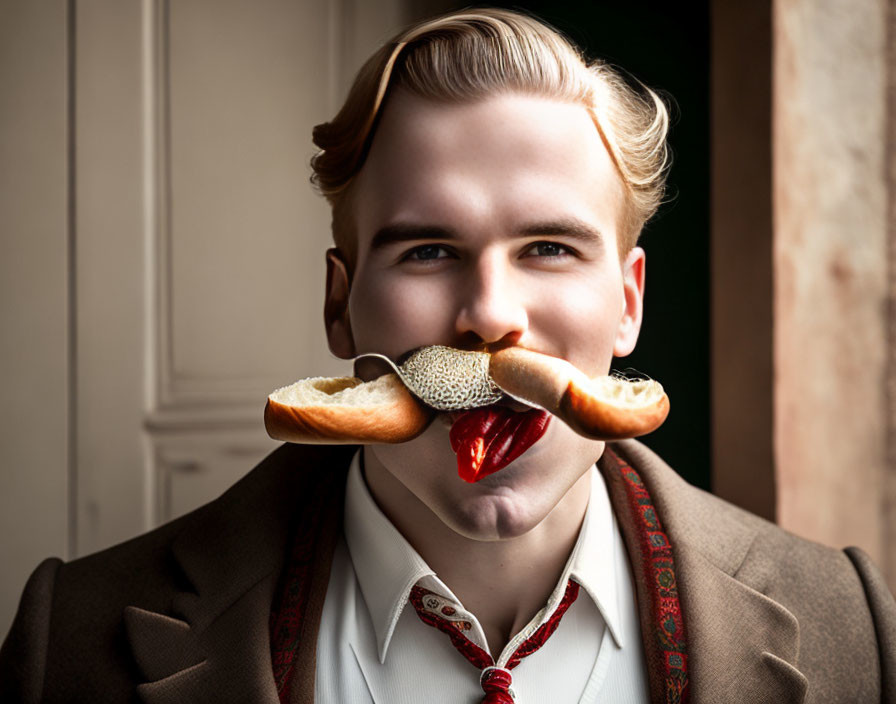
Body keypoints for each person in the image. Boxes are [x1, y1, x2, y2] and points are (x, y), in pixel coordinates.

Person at [1, 8, 894, 704]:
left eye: (549, 247)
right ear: (339, 309)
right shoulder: (69, 640)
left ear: (628, 304)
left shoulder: (851, 624)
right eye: (427, 250)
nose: (490, 318)